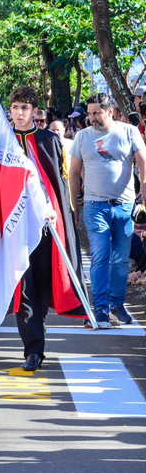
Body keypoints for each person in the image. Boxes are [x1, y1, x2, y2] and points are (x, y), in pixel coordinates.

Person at [8, 85, 88, 370]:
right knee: (23, 286)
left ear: (34, 111)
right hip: (14, 228)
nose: (20, 113)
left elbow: (60, 183)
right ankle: (32, 350)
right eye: (16, 108)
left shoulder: (48, 140)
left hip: (44, 226)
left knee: (43, 285)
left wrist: (67, 215)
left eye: (25, 108)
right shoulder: (2, 143)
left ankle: (36, 333)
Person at [69, 92, 146, 329]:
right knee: (101, 255)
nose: (92, 118)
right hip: (94, 206)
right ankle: (100, 307)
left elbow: (143, 165)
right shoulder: (82, 136)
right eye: (90, 113)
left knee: (121, 260)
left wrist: (144, 195)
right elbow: (73, 174)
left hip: (124, 207)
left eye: (97, 113)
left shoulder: (129, 132)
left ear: (109, 111)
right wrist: (74, 207)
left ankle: (117, 304)